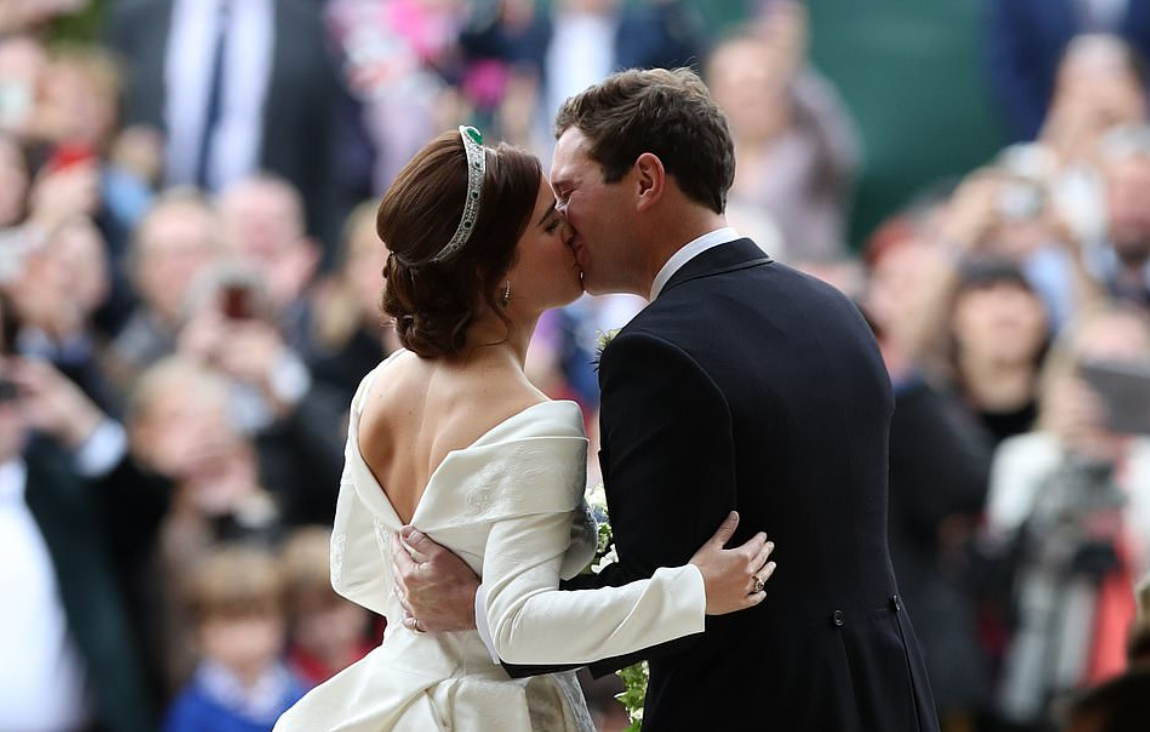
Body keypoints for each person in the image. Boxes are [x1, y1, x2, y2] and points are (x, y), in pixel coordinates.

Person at [396, 68, 939, 731]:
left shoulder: (656, 352)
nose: (561, 220)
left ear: (646, 180)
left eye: (568, 191)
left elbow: (665, 591)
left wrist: (482, 608)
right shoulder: (835, 309)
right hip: (890, 695)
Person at [273, 127, 775, 732]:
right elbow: (519, 627)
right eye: (548, 224)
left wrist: (455, 612)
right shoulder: (537, 423)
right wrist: (692, 592)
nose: (571, 230)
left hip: (390, 697)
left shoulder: (381, 384)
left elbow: (356, 569)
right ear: (494, 270)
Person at [161, 545, 306, 732]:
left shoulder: (300, 695)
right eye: (229, 624)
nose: (244, 638)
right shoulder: (191, 713)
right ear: (198, 634)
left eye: (257, 620)